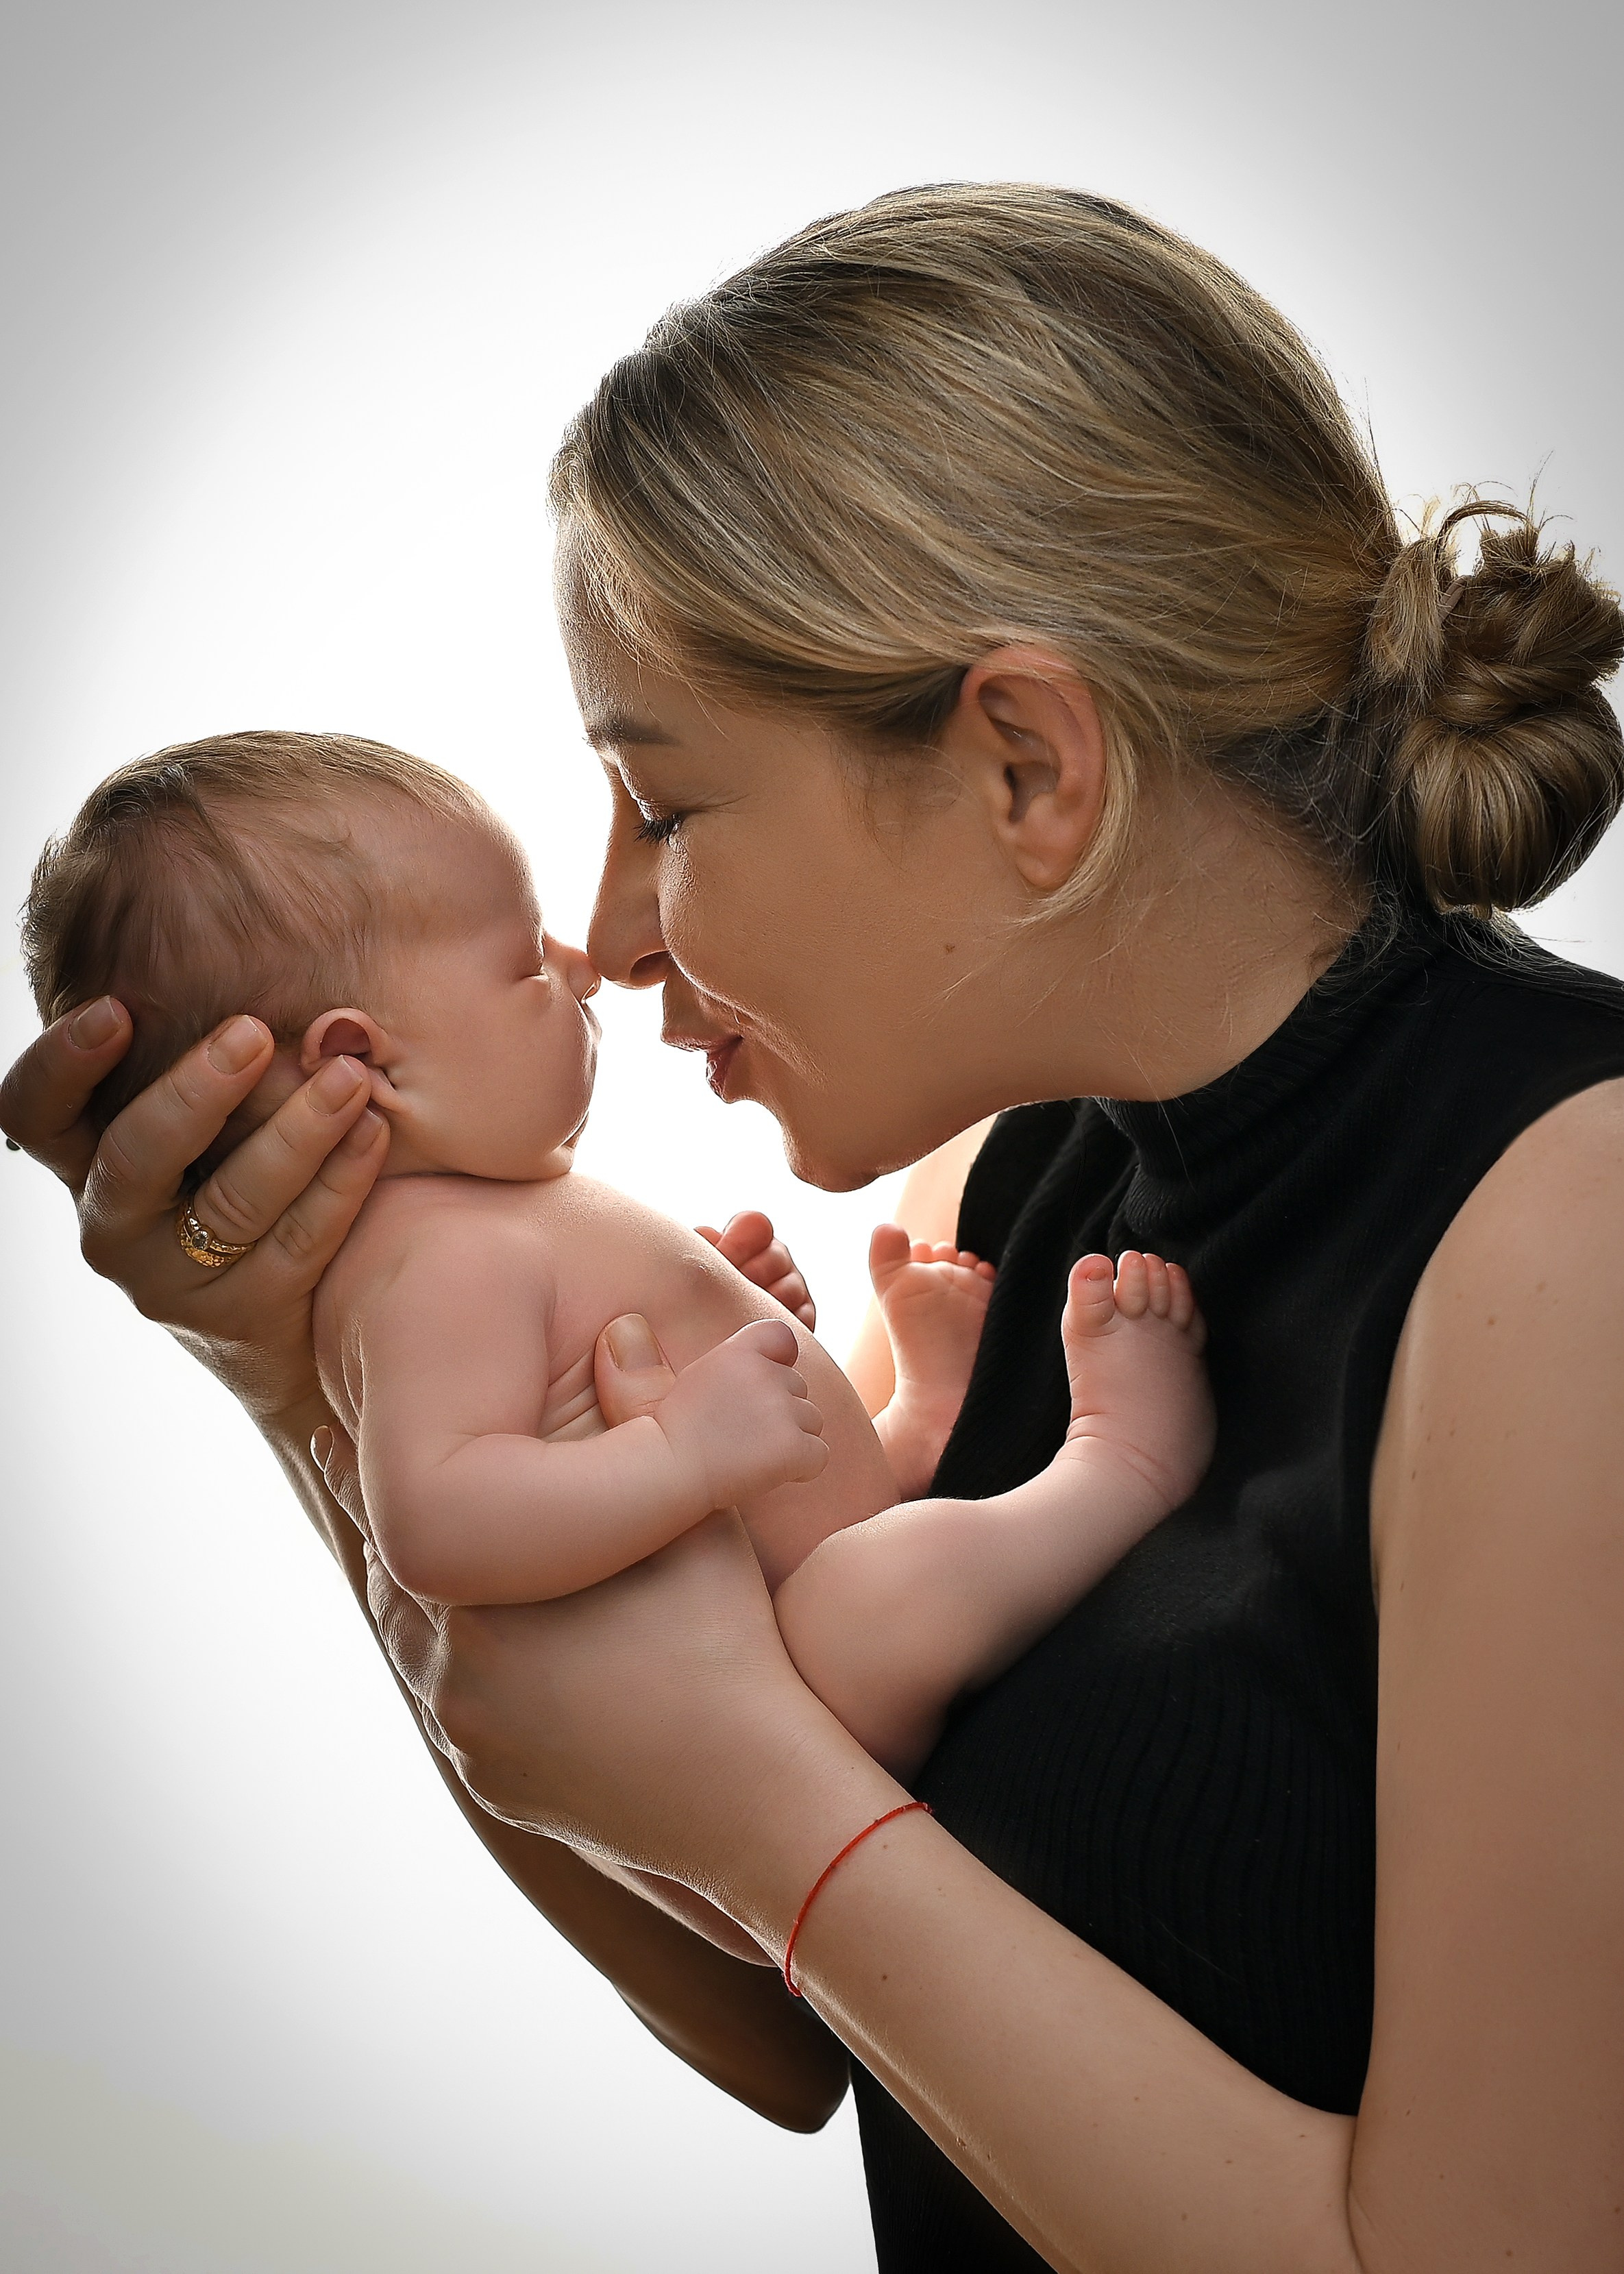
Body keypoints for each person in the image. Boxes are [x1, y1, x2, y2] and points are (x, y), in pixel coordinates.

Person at [7, 181, 1624, 2271]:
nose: (601, 935)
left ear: (1028, 765)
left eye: (662, 807)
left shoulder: (1565, 1232)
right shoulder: (1007, 1184)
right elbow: (779, 2010)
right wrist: (301, 1356)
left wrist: (784, 1824)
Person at [21, 729, 1210, 1836]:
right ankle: (1121, 1461)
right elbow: (438, 1520)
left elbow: (577, 1412)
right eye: (520, 957)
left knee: (859, 1541)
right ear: (360, 1059)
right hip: (801, 1694)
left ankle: (915, 1430)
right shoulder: (429, 1263)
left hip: (784, 1584)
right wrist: (683, 1450)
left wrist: (723, 1312)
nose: (581, 965)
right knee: (864, 1597)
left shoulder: (478, 1226)